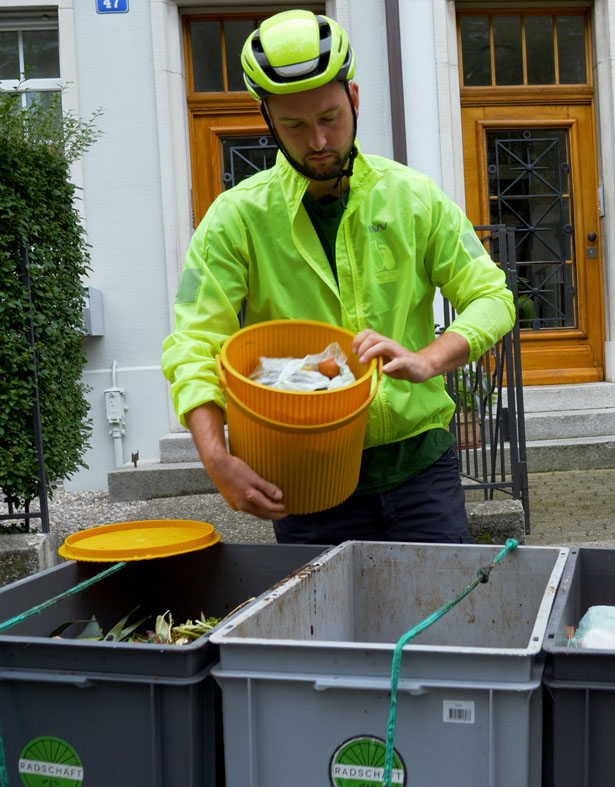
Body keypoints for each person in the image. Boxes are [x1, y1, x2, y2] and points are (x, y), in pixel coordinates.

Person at [161, 10, 515, 545]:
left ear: (354, 96)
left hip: (419, 465)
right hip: (304, 478)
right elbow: (193, 342)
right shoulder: (234, 219)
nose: (319, 140)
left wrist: (429, 359)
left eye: (330, 116)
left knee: (439, 621)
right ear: (267, 119)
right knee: (326, 630)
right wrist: (216, 457)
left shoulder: (413, 197)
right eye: (295, 126)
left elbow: (492, 296)